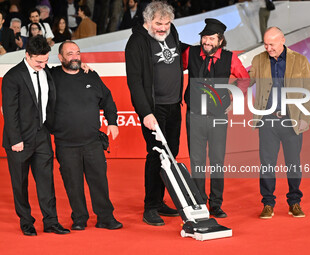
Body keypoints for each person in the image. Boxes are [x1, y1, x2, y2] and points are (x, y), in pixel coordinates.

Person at [1, 35, 70, 236]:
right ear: (27, 55)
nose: (43, 65)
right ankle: (26, 221)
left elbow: (63, 73)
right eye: (39, 61)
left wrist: (84, 68)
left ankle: (51, 221)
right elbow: (10, 111)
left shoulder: (46, 70)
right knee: (20, 184)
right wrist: (15, 140)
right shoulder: (13, 77)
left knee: (46, 181)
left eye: (46, 60)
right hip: (20, 139)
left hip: (42, 135)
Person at [51, 41, 122, 231]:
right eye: (69, 53)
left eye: (77, 53)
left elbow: (107, 99)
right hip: (66, 144)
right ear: (60, 58)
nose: (75, 57)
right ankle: (80, 218)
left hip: (92, 142)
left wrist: (112, 122)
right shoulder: (52, 76)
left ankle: (105, 218)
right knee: (73, 184)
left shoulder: (91, 75)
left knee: (99, 181)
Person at [182, 18, 249, 218]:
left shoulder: (230, 58)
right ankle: (199, 201)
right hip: (194, 115)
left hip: (217, 117)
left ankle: (216, 204)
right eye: (204, 38)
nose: (207, 42)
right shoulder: (190, 53)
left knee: (217, 160)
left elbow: (244, 78)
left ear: (220, 40)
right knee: (197, 160)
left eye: (211, 38)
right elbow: (174, 69)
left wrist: (231, 98)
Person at [248, 27, 310, 219]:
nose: (268, 48)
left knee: (293, 163)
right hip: (267, 121)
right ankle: (268, 203)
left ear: (283, 40)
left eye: (272, 44)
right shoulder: (259, 60)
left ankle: (294, 202)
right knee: (267, 164)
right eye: (265, 44)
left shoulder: (300, 60)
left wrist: (305, 118)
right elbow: (247, 80)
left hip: (291, 121)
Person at [125, 1, 183, 226]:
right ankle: (150, 207)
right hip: (154, 109)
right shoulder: (137, 42)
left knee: (172, 153)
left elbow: (179, 52)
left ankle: (159, 201)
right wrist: (145, 113)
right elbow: (135, 82)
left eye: (167, 23)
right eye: (159, 23)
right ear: (147, 21)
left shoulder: (172, 32)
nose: (163, 28)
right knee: (157, 155)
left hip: (174, 104)